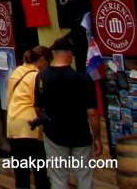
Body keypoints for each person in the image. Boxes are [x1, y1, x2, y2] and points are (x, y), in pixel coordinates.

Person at [34, 36, 102, 189]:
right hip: (80, 135)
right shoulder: (82, 79)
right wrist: (97, 138)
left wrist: (45, 126)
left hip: (54, 134)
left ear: (54, 55)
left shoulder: (42, 76)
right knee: (84, 178)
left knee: (58, 179)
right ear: (69, 55)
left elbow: (38, 108)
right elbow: (92, 113)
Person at [6, 45, 51, 189]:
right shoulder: (36, 76)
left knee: (21, 171)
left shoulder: (17, 71)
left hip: (13, 124)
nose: (47, 68)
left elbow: (9, 99)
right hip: (30, 125)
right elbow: (38, 104)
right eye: (47, 63)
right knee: (39, 169)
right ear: (42, 60)